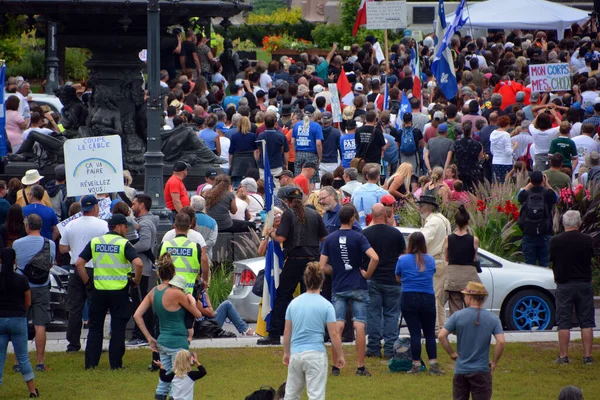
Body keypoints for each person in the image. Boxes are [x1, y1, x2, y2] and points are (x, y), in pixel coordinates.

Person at [258, 186, 328, 346]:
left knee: (282, 296)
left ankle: (274, 334)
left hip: (295, 260)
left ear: (287, 202)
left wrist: (270, 233)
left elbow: (281, 238)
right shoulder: (314, 214)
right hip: (313, 261)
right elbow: (324, 237)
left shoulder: (288, 214)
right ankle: (319, 332)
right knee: (313, 297)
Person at [74, 214, 143, 370]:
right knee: (118, 328)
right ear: (118, 227)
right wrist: (136, 281)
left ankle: (91, 364)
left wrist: (87, 282)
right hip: (119, 291)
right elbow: (138, 264)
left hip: (98, 290)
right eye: (125, 227)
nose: (126, 230)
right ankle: (116, 364)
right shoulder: (124, 244)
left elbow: (79, 263)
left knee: (95, 327)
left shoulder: (95, 242)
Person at [133, 254, 203, 400]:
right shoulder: (177, 294)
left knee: (164, 381)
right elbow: (197, 313)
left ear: (158, 273)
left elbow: (137, 315)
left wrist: (149, 338)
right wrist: (188, 294)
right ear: (174, 274)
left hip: (162, 341)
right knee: (179, 382)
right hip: (178, 343)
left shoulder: (154, 292)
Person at [320, 204, 379, 377]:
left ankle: (336, 366)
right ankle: (360, 367)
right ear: (353, 218)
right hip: (358, 284)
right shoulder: (358, 237)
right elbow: (374, 257)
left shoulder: (330, 239)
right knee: (359, 324)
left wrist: (335, 270)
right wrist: (367, 274)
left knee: (337, 324)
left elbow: (322, 265)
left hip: (339, 286)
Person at [283, 262, 344, 399]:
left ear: (305, 280)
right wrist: (339, 355)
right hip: (316, 354)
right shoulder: (327, 305)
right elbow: (334, 333)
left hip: (296, 354)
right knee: (316, 395)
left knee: (291, 394)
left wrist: (287, 352)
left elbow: (287, 331)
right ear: (322, 281)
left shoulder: (293, 304)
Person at [438, 282, 505, 400]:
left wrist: (452, 353)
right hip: (482, 371)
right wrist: (494, 361)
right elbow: (501, 341)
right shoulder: (493, 318)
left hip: (461, 370)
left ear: (469, 297)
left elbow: (441, 336)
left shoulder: (457, 316)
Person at [59, 195, 108, 353]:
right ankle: (95, 342)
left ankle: (73, 344)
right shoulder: (103, 225)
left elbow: (62, 248)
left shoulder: (71, 225)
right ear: (95, 208)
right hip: (95, 269)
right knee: (96, 307)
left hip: (75, 269)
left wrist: (75, 249)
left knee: (75, 308)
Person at [395, 231, 445, 375]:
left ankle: (416, 365)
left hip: (409, 297)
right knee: (429, 333)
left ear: (409, 244)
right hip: (427, 297)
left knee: (415, 333)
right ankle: (434, 365)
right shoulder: (430, 260)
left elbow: (398, 277)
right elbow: (431, 273)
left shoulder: (402, 260)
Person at [550, 210, 595, 365]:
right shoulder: (587, 240)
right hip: (584, 283)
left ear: (563, 224)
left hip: (564, 284)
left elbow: (552, 259)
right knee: (587, 321)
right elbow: (591, 258)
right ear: (579, 223)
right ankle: (587, 356)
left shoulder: (555, 241)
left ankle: (563, 356)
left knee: (564, 321)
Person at [13, 214, 55, 372]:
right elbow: (50, 264)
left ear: (27, 226)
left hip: (22, 287)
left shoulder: (17, 243)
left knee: (20, 323)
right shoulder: (50, 243)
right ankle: (40, 362)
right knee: (40, 324)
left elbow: (16, 263)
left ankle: (18, 361)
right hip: (42, 286)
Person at [363, 204, 405, 359]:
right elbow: (402, 255)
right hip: (393, 279)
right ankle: (390, 348)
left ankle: (373, 347)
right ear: (386, 216)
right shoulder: (396, 234)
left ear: (372, 216)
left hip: (373, 278)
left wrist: (364, 272)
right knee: (392, 315)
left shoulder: (366, 234)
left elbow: (362, 257)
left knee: (373, 314)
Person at [0, 248, 40, 398]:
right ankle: (32, 391)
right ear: (15, 261)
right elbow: (28, 302)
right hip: (17, 319)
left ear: (0, 260)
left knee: (0, 357)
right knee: (23, 357)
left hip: (0, 320)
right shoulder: (21, 279)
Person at [127, 194, 158, 347]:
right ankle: (145, 334)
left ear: (142, 205)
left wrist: (127, 250)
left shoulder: (145, 223)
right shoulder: (144, 221)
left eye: (134, 204)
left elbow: (145, 245)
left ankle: (142, 335)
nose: (132, 207)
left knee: (140, 304)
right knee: (141, 302)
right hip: (142, 266)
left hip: (141, 268)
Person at [417, 194, 451, 333]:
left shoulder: (433, 222)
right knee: (439, 298)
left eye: (420, 206)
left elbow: (423, 239)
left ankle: (435, 329)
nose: (419, 209)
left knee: (434, 297)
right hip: (442, 260)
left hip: (435, 260)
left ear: (427, 208)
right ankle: (441, 328)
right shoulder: (443, 219)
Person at [160, 212, 209, 295]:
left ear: (174, 226)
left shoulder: (165, 245)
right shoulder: (195, 247)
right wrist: (205, 280)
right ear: (189, 226)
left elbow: (158, 266)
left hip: (168, 288)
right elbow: (204, 260)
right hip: (190, 289)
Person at [444, 205, 480, 315]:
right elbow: (475, 257)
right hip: (469, 277)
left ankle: (458, 330)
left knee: (455, 310)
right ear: (468, 222)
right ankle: (470, 329)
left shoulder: (448, 239)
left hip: (453, 277)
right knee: (472, 308)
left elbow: (446, 258)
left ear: (455, 221)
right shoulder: (474, 240)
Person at [517, 171, 557, 267]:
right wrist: (547, 184)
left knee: (529, 265)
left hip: (528, 232)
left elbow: (518, 196)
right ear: (542, 180)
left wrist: (529, 184)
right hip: (545, 233)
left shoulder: (526, 194)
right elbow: (556, 198)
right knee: (545, 264)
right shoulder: (548, 194)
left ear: (530, 180)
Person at [292, 110, 323, 185]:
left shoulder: (296, 125)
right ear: (313, 115)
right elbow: (318, 143)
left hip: (299, 153)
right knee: (311, 179)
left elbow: (292, 141)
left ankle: (299, 194)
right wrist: (320, 157)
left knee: (298, 177)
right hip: (311, 154)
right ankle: (310, 196)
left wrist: (296, 152)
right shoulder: (316, 126)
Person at [257, 112, 289, 180]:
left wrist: (258, 161)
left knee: (263, 187)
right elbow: (285, 152)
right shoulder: (281, 136)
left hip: (263, 166)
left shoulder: (260, 136)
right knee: (277, 186)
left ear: (265, 123)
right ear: (274, 122)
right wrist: (286, 164)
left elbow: (258, 151)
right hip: (277, 165)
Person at [229, 116, 258, 188]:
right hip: (250, 161)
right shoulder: (252, 136)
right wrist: (256, 162)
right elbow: (256, 150)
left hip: (237, 162)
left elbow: (231, 152)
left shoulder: (234, 136)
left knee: (237, 183)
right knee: (251, 182)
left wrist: (230, 164)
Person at [190, 195, 218, 260]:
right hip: (206, 256)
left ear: (192, 206)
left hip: (190, 255)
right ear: (204, 206)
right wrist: (201, 247)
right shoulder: (213, 222)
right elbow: (212, 241)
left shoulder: (188, 220)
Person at [490, 116, 516, 183]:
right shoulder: (506, 135)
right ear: (507, 124)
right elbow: (508, 152)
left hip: (495, 161)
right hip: (506, 162)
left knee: (496, 183)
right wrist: (515, 146)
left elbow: (491, 150)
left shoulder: (493, 133)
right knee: (506, 183)